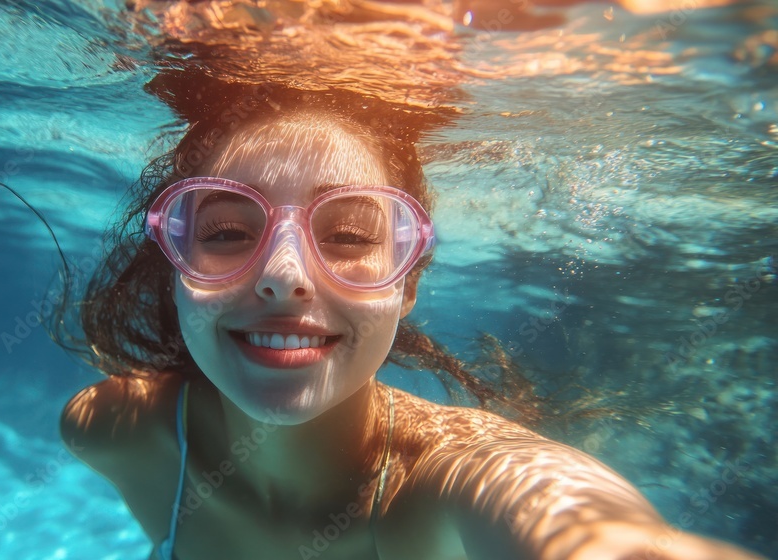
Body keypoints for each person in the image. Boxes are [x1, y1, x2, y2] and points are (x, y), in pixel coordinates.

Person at [57, 78, 763, 560]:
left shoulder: (454, 481)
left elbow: (588, 531)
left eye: (351, 237)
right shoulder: (118, 432)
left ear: (410, 282)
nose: (281, 275)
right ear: (177, 268)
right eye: (227, 232)